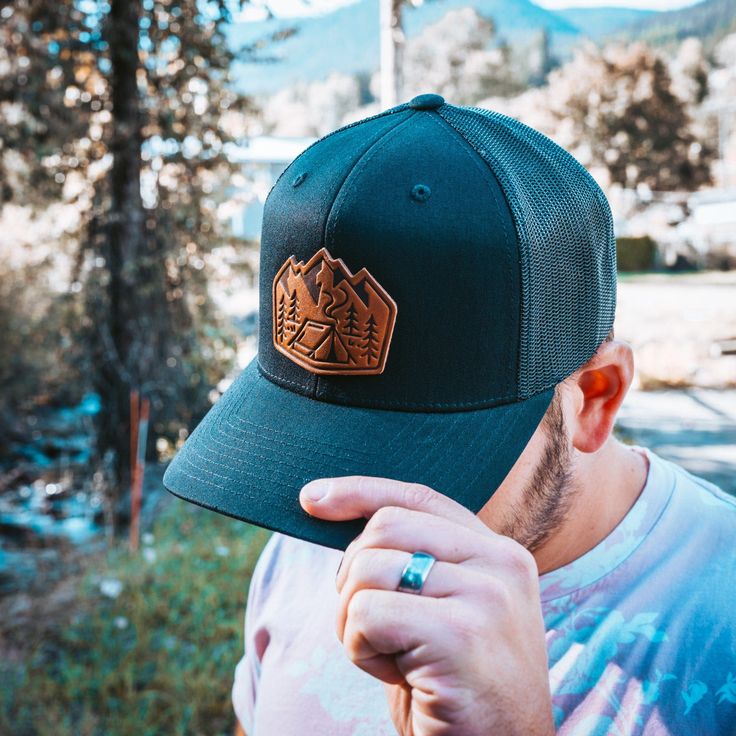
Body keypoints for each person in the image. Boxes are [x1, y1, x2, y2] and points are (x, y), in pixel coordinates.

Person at [163, 94, 736, 735]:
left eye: (424, 455)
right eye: (318, 447)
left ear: (595, 398)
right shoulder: (309, 539)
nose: (362, 519)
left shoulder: (720, 623)